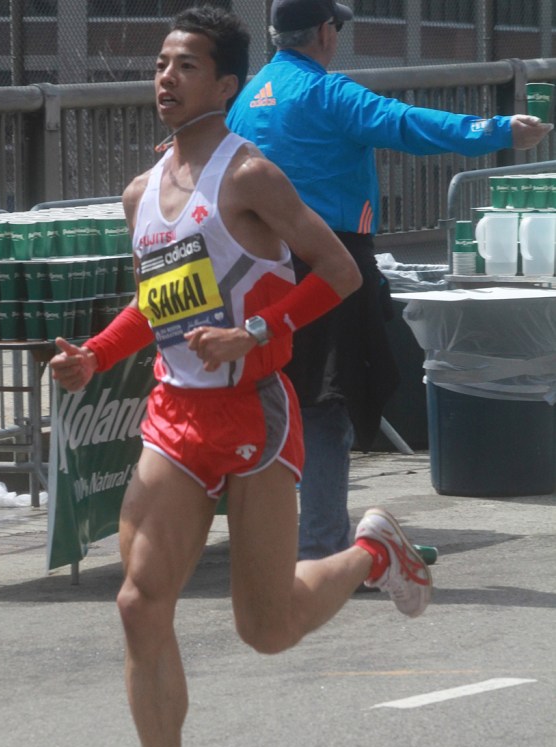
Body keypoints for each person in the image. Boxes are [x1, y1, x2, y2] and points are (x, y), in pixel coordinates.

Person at [50, 6, 433, 747]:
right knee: (139, 602)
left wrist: (257, 332)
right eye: (161, 63)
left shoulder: (252, 175)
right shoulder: (141, 194)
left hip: (255, 411)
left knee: (268, 627)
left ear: (226, 85)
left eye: (186, 65)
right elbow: (157, 303)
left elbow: (340, 272)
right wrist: (96, 355)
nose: (166, 77)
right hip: (175, 415)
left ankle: (372, 553)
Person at [228, 0, 554, 565]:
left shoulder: (244, 100)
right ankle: (322, 549)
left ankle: (275, 545)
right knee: (327, 404)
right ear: (325, 32)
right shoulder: (326, 92)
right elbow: (405, 123)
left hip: (254, 267)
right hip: (329, 265)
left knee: (274, 401)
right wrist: (497, 129)